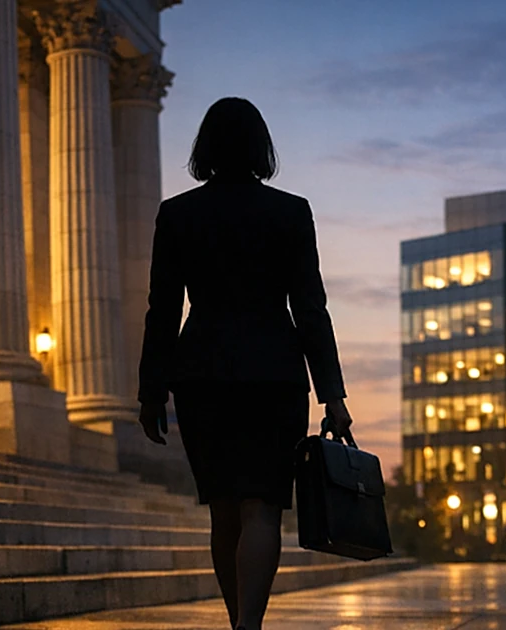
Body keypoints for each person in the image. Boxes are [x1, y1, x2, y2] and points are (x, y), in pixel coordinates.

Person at [137, 97, 351, 630]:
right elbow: (310, 308)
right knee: (262, 506)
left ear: (204, 148)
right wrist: (333, 396)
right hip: (274, 373)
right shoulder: (290, 211)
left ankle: (241, 623)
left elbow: (162, 309)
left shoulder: (178, 213)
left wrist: (151, 390)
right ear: (262, 148)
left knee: (224, 509)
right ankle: (247, 627)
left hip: (202, 375)